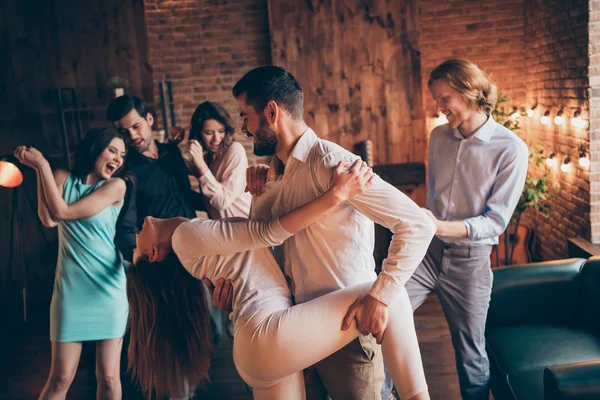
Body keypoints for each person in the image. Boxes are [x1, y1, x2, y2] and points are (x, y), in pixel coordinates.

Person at [127, 160, 433, 400]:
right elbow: (268, 233)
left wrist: (263, 189)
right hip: (264, 332)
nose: (135, 232)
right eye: (135, 245)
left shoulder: (193, 242)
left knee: (385, 293)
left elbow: (256, 241)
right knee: (385, 293)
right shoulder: (185, 237)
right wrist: (337, 194)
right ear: (153, 254)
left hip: (258, 347)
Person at [216, 65, 435, 399]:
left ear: (272, 112)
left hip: (347, 327)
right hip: (293, 328)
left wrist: (380, 295)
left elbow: (419, 224)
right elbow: (264, 244)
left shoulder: (333, 164)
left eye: (246, 116)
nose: (244, 128)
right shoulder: (273, 175)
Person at [393, 59, 529, 400]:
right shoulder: (438, 137)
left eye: (444, 98)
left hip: (470, 261)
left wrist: (441, 226)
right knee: (387, 317)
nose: (439, 108)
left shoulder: (510, 148)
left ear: (470, 92)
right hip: (428, 253)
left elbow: (496, 222)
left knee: (471, 353)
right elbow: (435, 193)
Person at [106, 95, 216, 399]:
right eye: (123, 132)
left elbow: (186, 197)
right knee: (173, 340)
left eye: (136, 127)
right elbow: (125, 230)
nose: (132, 136)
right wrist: (144, 264)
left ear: (150, 120)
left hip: (198, 253)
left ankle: (193, 388)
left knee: (208, 332)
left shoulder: (170, 153)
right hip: (165, 266)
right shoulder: (128, 173)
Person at [14, 128, 128, 400]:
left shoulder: (116, 186)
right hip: (70, 292)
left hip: (107, 290)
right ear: (95, 148)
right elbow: (49, 219)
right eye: (112, 150)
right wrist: (42, 172)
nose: (118, 159)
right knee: (60, 379)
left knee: (109, 378)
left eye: (122, 154)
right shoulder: (62, 177)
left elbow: (63, 212)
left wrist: (41, 163)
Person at [171, 101, 251, 219]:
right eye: (208, 133)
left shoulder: (235, 151)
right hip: (222, 231)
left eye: (221, 131)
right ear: (199, 134)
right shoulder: (208, 157)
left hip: (244, 229)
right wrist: (172, 146)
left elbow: (222, 201)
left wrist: (201, 166)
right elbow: (176, 167)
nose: (216, 139)